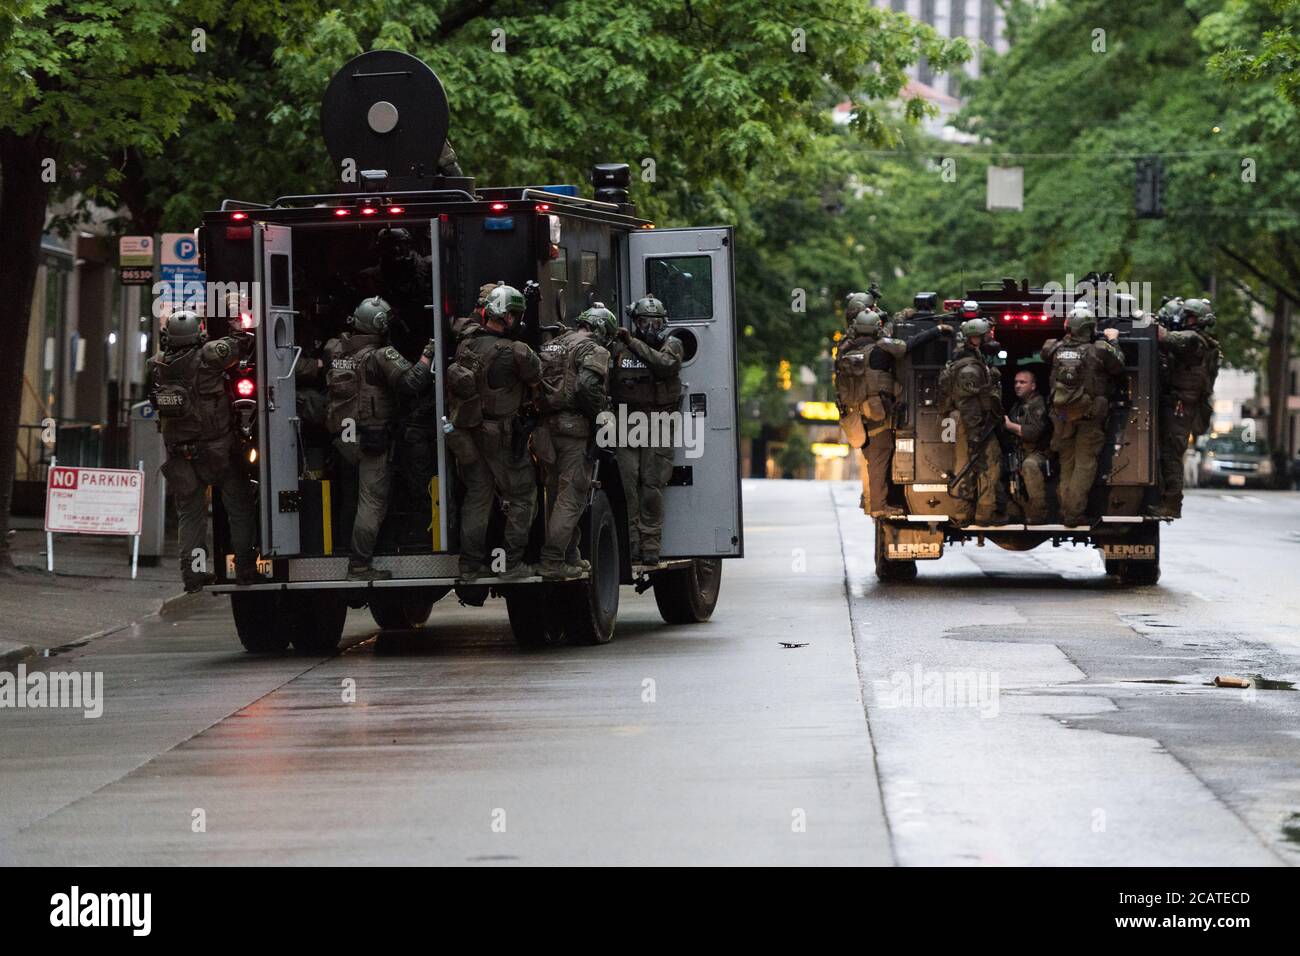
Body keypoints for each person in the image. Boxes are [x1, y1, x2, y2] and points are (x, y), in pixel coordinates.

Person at [324, 296, 435, 580]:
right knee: (372, 503)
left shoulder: (335, 349)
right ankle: (359, 565)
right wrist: (427, 357)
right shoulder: (381, 356)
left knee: (350, 498)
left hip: (342, 440)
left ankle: (340, 548)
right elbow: (412, 383)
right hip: (372, 442)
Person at [148, 310, 258, 591]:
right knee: (240, 508)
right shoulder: (208, 356)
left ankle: (193, 574)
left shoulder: (159, 364)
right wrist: (236, 319)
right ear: (197, 333)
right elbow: (241, 343)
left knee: (190, 516)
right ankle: (245, 568)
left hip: (179, 456)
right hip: (217, 450)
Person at [445, 284, 542, 580]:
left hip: (468, 435)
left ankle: (469, 566)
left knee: (477, 498)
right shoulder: (516, 352)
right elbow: (536, 374)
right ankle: (511, 564)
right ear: (509, 316)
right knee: (524, 495)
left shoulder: (465, 345)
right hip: (500, 438)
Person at [835, 303, 950, 516]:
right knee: (880, 457)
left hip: (858, 417)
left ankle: (872, 501)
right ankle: (879, 506)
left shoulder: (849, 350)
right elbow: (907, 345)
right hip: (877, 416)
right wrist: (937, 330)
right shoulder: (879, 352)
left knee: (873, 459)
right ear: (876, 329)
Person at [534, 305, 613, 580]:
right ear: (601, 329)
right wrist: (601, 414)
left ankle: (570, 555)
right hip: (573, 429)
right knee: (572, 497)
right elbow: (586, 386)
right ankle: (553, 560)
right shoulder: (594, 350)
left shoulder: (553, 344)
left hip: (545, 429)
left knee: (556, 495)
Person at [608, 296, 684, 565]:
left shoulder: (672, 345)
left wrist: (633, 342)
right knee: (629, 485)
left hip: (658, 422)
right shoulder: (618, 348)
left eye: (655, 322)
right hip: (626, 423)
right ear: (635, 322)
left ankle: (650, 544)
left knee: (652, 485)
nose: (650, 327)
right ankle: (631, 546)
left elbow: (665, 366)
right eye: (643, 322)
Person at [1041, 302, 1126, 527]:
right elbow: (1119, 365)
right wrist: (1113, 338)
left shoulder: (1055, 348)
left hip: (1061, 417)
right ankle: (1072, 514)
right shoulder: (1099, 349)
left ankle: (1064, 508)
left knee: (1066, 465)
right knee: (1084, 466)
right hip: (1089, 419)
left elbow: (1045, 355)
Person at [1151, 297, 1220, 518]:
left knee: (1171, 453)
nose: (1185, 319)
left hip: (1180, 406)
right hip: (1179, 403)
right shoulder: (1202, 342)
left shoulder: (1194, 340)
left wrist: (1146, 322)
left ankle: (1171, 503)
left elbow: (1164, 337)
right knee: (1166, 451)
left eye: (1190, 316)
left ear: (1200, 320)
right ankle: (1164, 498)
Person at [939, 312, 1005, 525]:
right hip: (971, 423)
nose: (990, 338)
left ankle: (967, 513)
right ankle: (980, 514)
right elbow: (967, 403)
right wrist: (975, 433)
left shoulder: (973, 360)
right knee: (981, 465)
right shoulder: (969, 368)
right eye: (987, 335)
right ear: (975, 338)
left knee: (969, 465)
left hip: (972, 422)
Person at [1002, 369, 1053, 524]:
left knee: (1030, 466)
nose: (1018, 385)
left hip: (1040, 454)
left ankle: (1039, 514)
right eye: (1016, 382)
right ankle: (1013, 510)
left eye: (1023, 382)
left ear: (1033, 386)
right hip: (1019, 452)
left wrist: (1011, 427)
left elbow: (1033, 432)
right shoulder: (1018, 406)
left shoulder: (1038, 404)